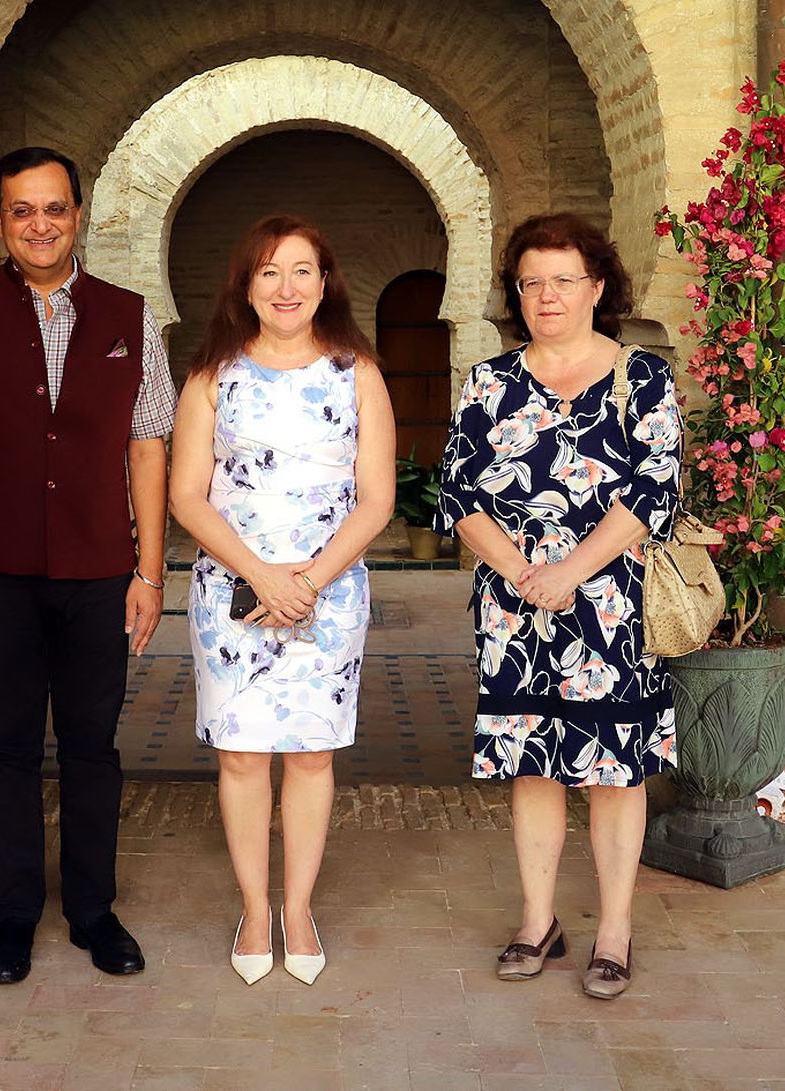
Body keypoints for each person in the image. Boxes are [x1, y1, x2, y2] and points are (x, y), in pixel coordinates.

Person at [0, 146, 176, 984]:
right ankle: (16, 912)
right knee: (10, 743)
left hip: (102, 568)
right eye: (21, 209)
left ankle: (94, 910)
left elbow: (148, 447)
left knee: (94, 744)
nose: (39, 224)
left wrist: (150, 570)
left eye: (54, 208)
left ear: (78, 216)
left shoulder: (130, 317)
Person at [434, 212, 682, 1000]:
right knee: (532, 764)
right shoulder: (489, 381)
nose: (547, 295)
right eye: (531, 281)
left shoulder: (642, 378)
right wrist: (520, 569)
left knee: (616, 769)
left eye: (563, 279)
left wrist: (572, 567)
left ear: (598, 286)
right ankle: (537, 919)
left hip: (612, 605)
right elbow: (459, 489)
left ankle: (615, 927)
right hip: (514, 610)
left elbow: (655, 488)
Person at [169, 215, 395, 986]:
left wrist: (308, 580)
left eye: (301, 271)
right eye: (269, 272)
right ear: (245, 287)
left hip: (329, 592)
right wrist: (263, 575)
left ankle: (297, 907)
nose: (286, 288)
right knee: (240, 754)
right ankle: (254, 909)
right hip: (232, 588)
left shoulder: (358, 371)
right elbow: (186, 498)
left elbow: (376, 499)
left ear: (325, 282)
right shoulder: (210, 376)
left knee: (310, 753)